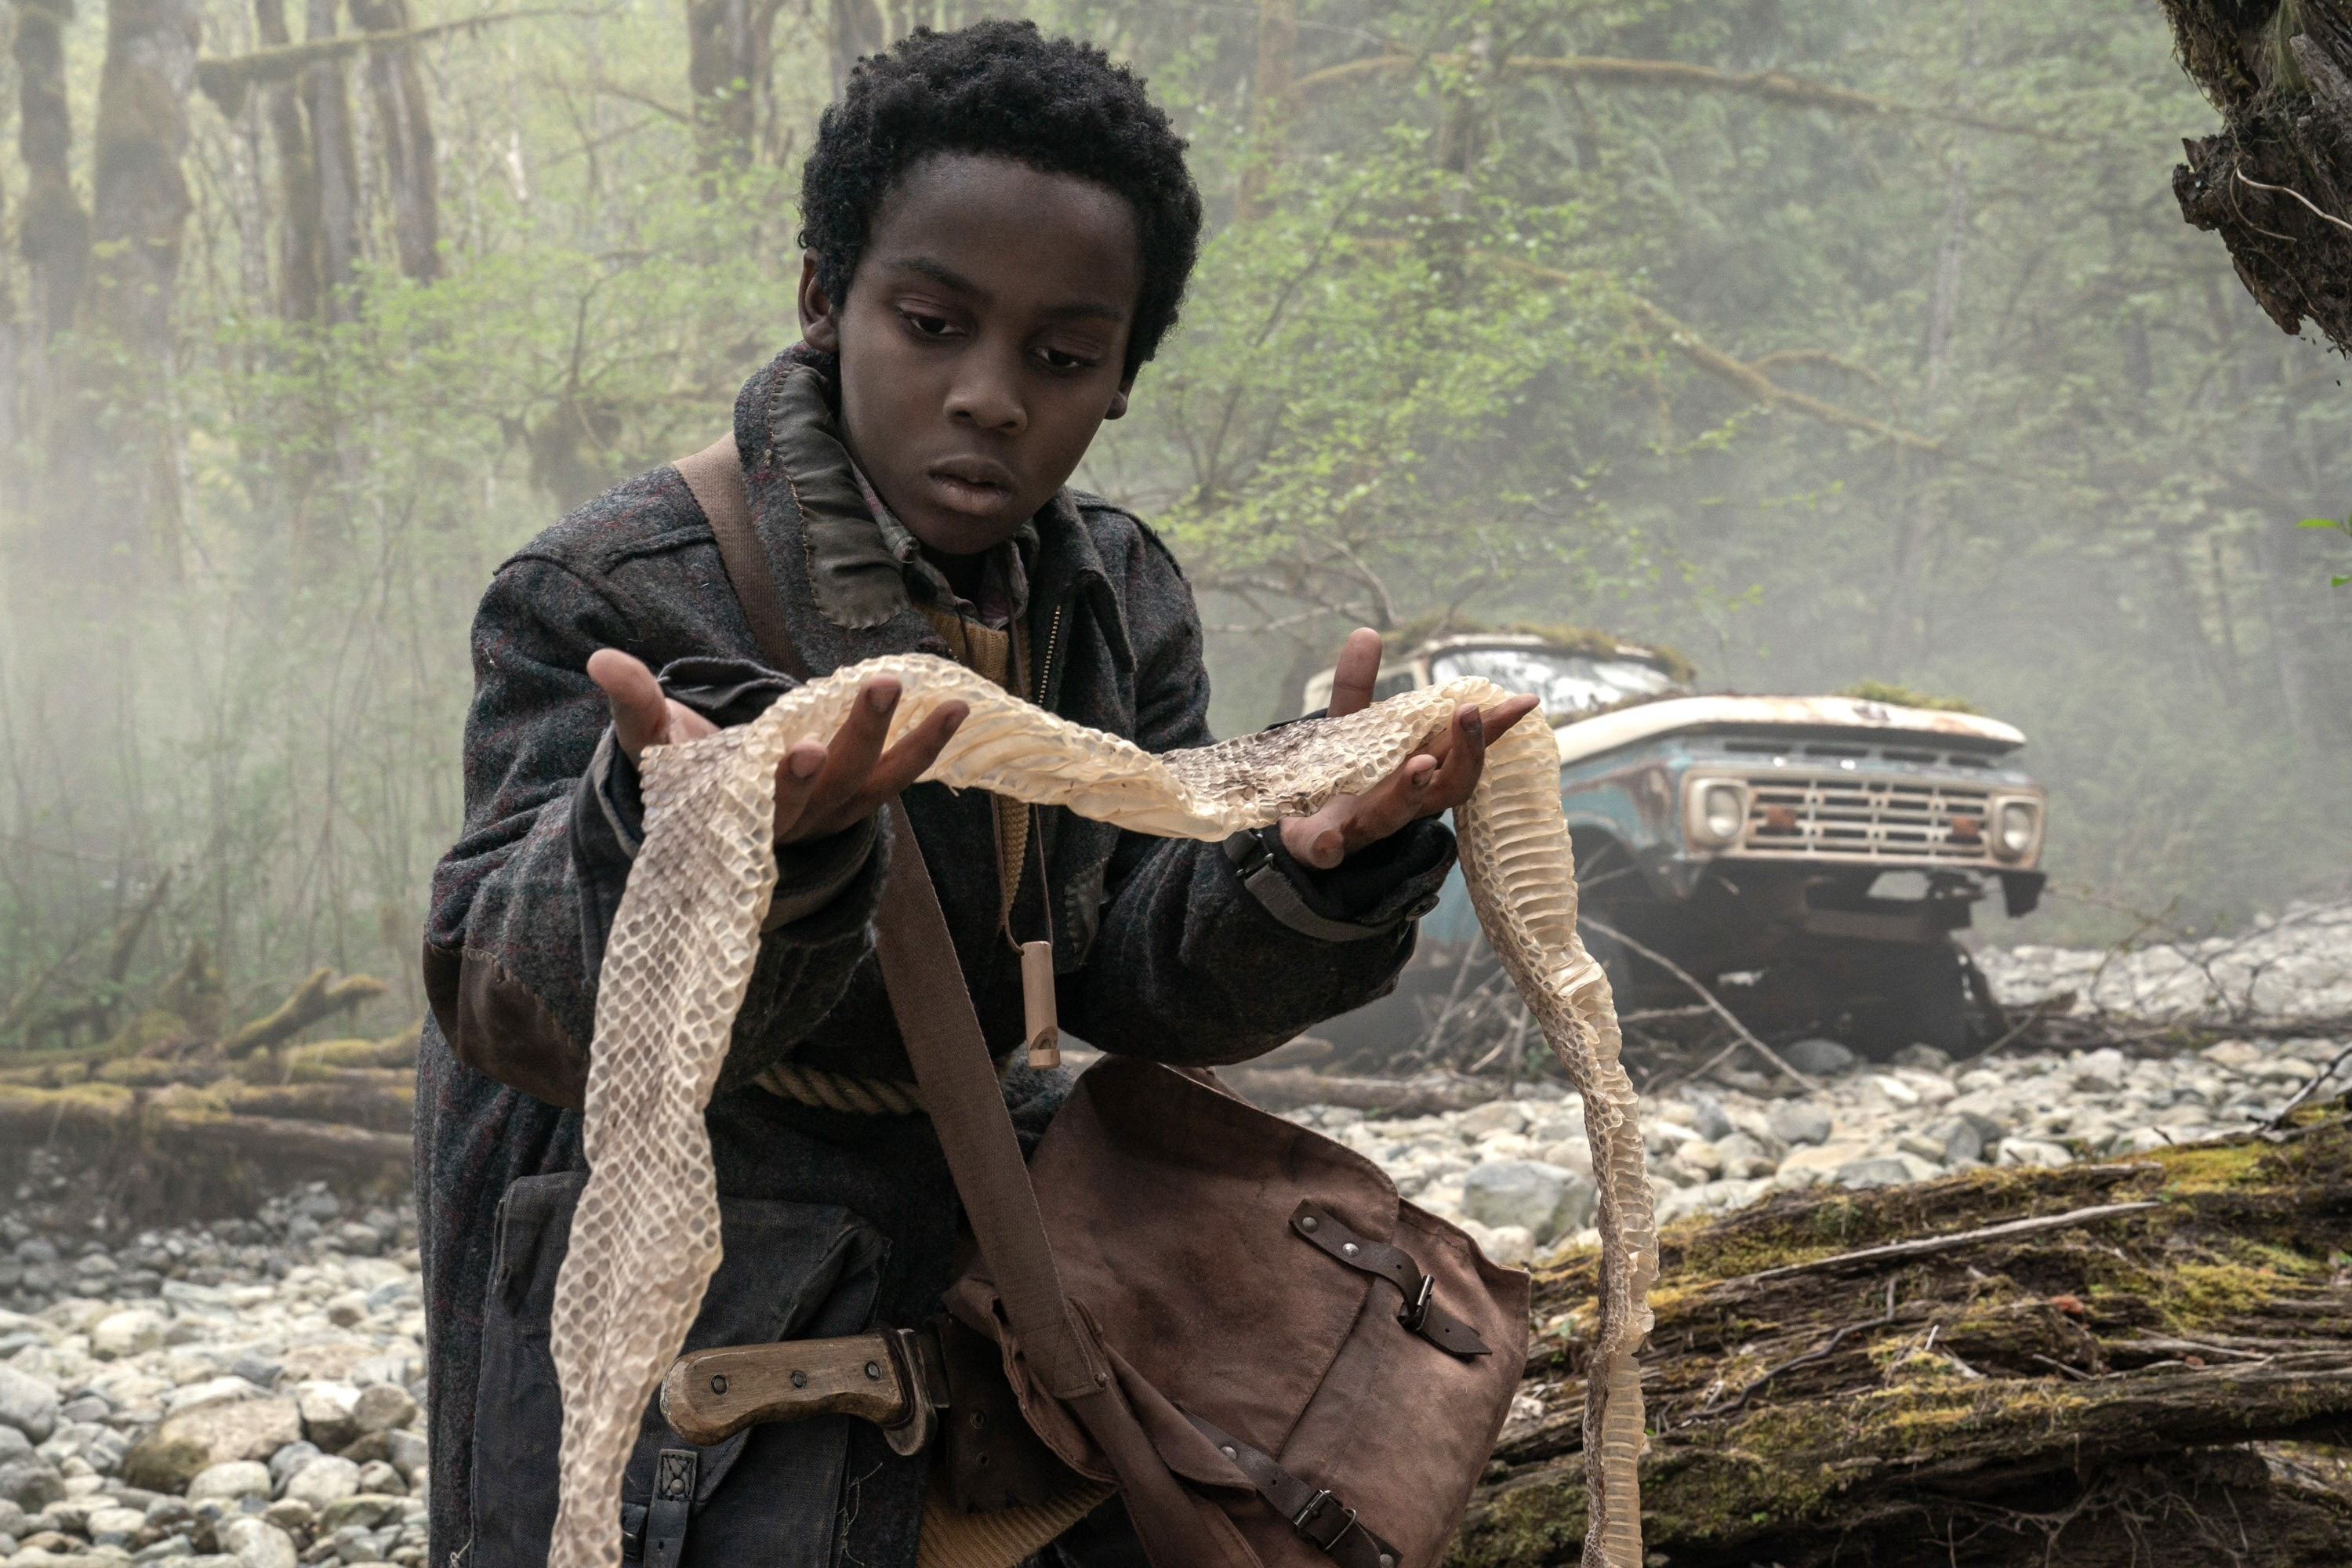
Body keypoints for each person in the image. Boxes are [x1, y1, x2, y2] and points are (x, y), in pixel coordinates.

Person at [417, 20, 1537, 1567]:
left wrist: (1307, 859)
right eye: (933, 323)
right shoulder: (619, 596)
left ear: (1125, 373)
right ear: (826, 296)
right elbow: (516, 1006)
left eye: (1062, 356)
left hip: (991, 1277)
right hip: (693, 1329)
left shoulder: (1113, 595)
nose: (991, 396)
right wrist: (721, 843)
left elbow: (1130, 962)